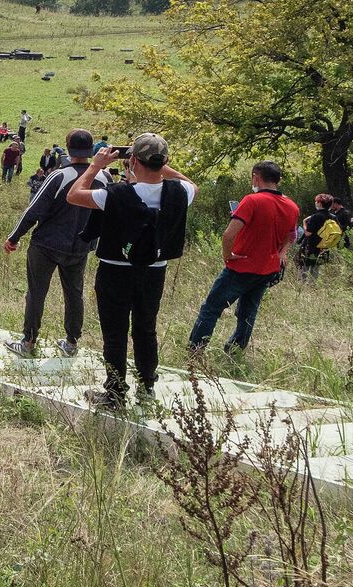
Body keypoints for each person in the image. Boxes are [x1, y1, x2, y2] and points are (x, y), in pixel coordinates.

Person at [67, 133, 195, 409]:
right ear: (165, 161)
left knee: (115, 332)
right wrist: (161, 166)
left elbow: (74, 195)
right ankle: (147, 387)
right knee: (146, 328)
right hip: (154, 270)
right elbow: (188, 182)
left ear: (132, 160)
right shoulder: (180, 193)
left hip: (115, 269)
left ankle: (114, 393)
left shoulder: (116, 195)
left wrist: (96, 166)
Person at [3, 129, 103, 357]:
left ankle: (28, 342)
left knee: (36, 293)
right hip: (80, 246)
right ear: (91, 150)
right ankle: (71, 342)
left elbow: (34, 210)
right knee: (74, 294)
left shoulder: (59, 175)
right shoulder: (103, 177)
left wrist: (14, 237)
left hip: (46, 245)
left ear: (67, 148)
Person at [187, 161, 299, 360]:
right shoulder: (292, 206)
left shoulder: (252, 200)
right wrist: (282, 253)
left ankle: (195, 351)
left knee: (211, 309)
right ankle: (234, 351)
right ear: (278, 180)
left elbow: (229, 234)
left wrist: (227, 256)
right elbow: (291, 235)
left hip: (242, 266)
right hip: (268, 269)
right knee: (248, 313)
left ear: (256, 176)